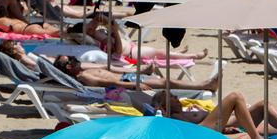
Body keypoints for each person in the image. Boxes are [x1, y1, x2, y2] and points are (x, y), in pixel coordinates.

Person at [52, 54, 219, 92]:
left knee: (166, 81)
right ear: (68, 68)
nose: (76, 60)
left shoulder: (83, 70)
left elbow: (110, 69)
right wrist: (135, 84)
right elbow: (112, 83)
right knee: (166, 83)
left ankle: (205, 85)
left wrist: (139, 71)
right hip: (127, 82)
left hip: (128, 76)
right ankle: (205, 85)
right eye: (72, 60)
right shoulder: (84, 76)